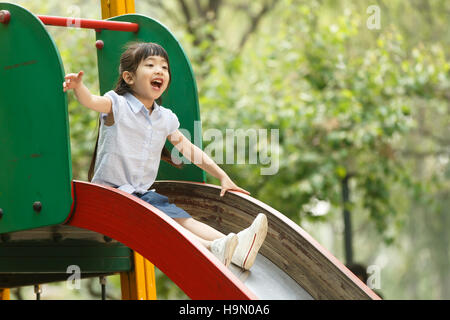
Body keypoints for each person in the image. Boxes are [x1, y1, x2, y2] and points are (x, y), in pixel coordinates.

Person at [63, 41, 267, 270]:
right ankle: (211, 249)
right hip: (112, 196)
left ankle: (236, 250)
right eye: (150, 65)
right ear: (129, 78)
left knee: (184, 219)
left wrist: (222, 176)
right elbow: (91, 101)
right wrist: (79, 87)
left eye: (164, 67)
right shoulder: (117, 105)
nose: (159, 70)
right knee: (166, 222)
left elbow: (189, 150)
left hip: (141, 195)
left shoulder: (164, 118)